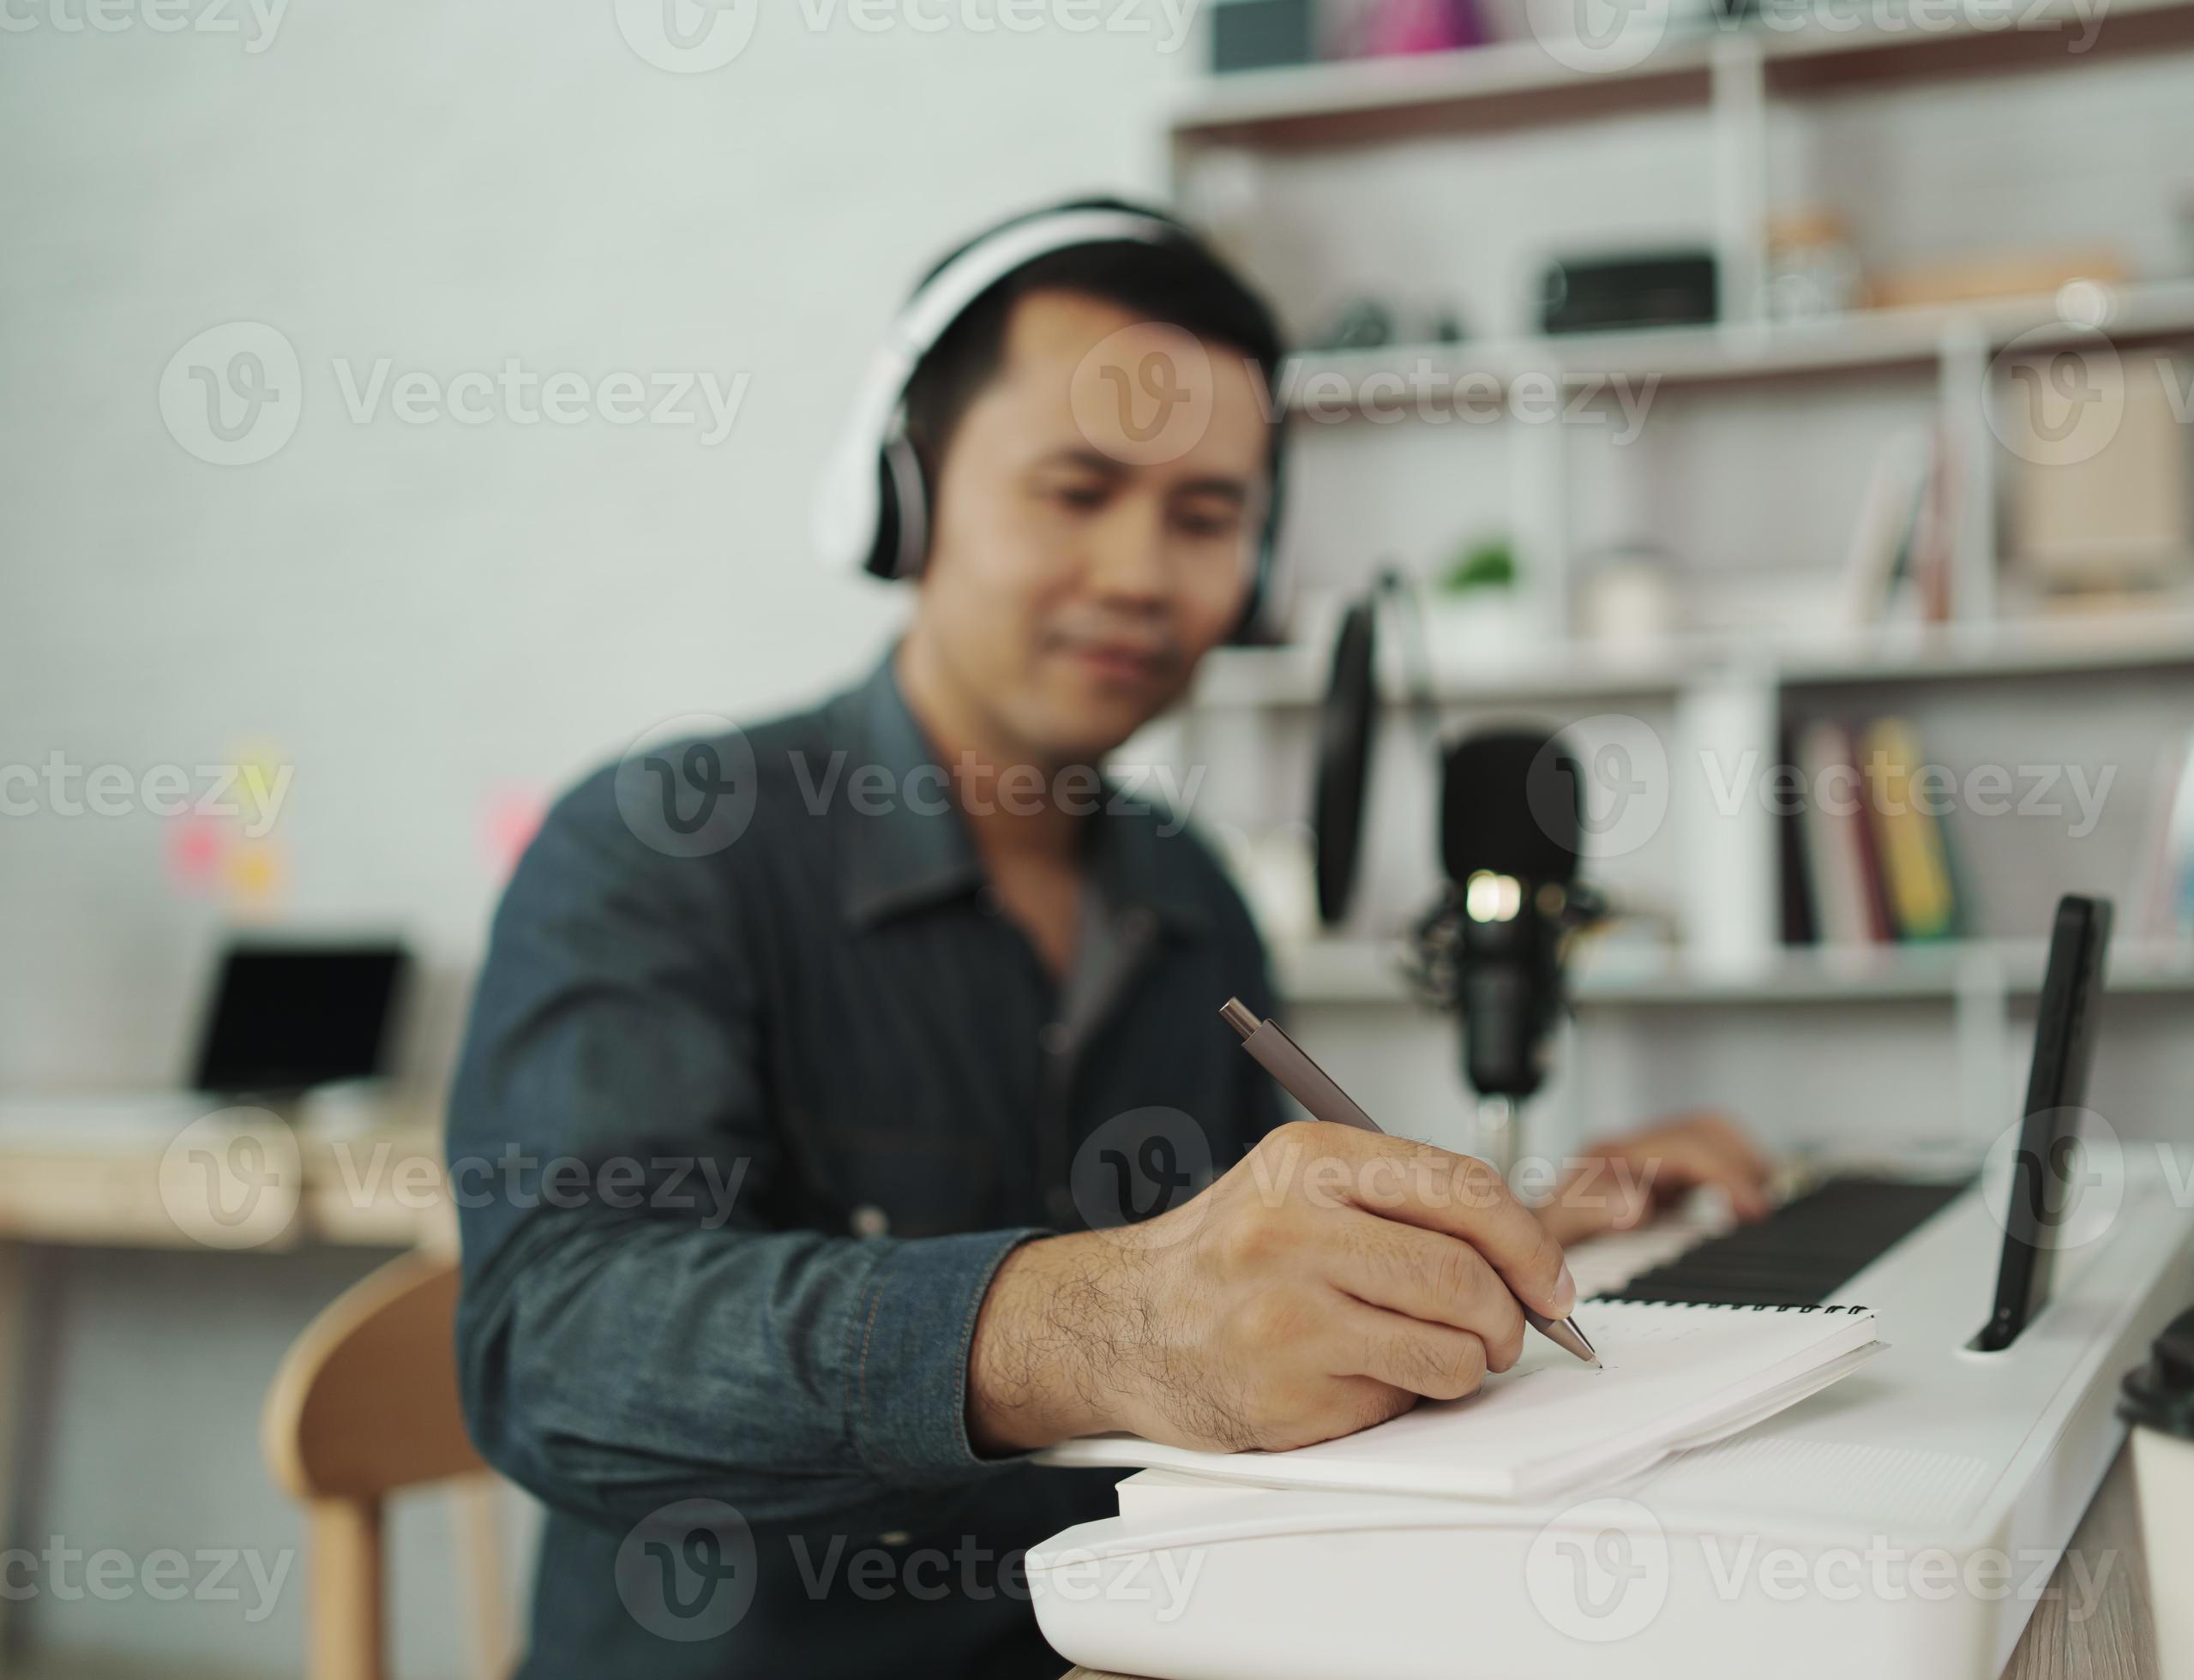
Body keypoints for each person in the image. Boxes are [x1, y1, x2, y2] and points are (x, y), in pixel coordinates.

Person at [448, 198, 1770, 1677]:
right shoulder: (655, 845)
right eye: (1077, 490)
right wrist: (1104, 1327)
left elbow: (1227, 1268)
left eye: (1206, 517)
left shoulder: (1185, 887)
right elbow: (555, 1342)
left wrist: (1520, 1224)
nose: (1144, 574)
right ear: (909, 496)